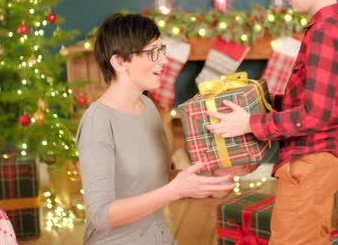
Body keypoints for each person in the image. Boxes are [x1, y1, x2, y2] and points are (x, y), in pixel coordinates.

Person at [206, 0, 338, 244]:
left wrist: (250, 123)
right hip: (321, 158)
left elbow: (314, 115)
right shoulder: (328, 25)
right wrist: (263, 102)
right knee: (312, 237)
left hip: (311, 161)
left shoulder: (325, 34)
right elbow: (312, 99)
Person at [76, 13, 236, 245]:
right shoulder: (97, 122)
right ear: (119, 62)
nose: (163, 60)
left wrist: (201, 178)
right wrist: (175, 191)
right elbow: (100, 215)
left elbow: (153, 180)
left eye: (162, 50)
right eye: (153, 52)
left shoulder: (148, 107)